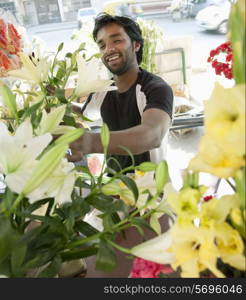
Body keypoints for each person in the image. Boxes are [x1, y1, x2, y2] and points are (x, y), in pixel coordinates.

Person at [69, 13, 173, 173]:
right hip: (113, 189)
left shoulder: (155, 88)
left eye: (117, 40)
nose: (109, 49)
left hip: (150, 190)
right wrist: (60, 102)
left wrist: (87, 143)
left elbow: (152, 135)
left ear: (136, 45)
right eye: (102, 45)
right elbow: (85, 113)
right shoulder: (103, 90)